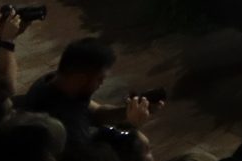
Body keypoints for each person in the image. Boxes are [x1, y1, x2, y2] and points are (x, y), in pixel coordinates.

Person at [19, 38, 154, 151]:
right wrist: (131, 126)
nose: (101, 84)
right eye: (100, 79)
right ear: (80, 79)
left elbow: (97, 112)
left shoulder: (55, 81)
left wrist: (127, 111)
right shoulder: (68, 124)